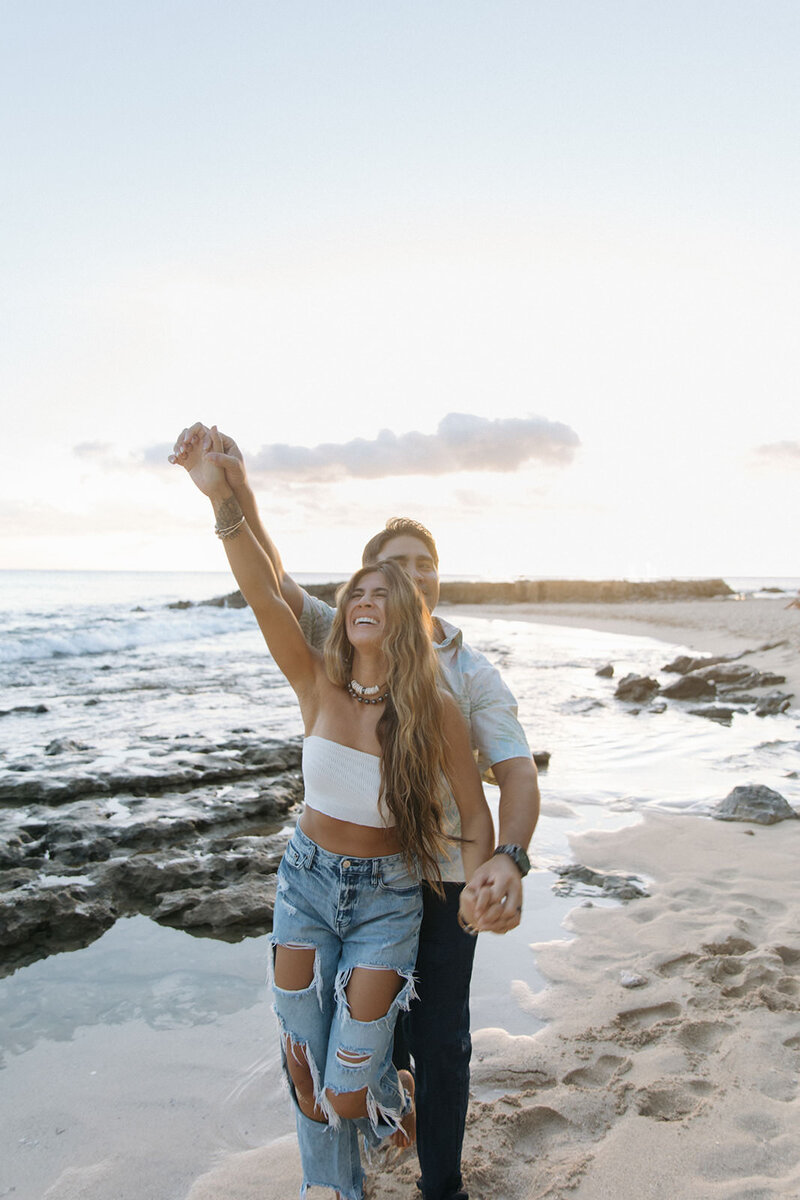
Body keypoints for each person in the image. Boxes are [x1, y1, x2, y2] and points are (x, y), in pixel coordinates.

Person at [171, 424, 540, 1200]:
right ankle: (333, 1187)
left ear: (425, 591)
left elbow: (501, 787)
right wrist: (228, 493)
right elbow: (265, 582)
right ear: (348, 606)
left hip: (414, 885)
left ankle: (415, 1150)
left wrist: (499, 868)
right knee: (310, 1048)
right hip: (313, 881)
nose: (387, 590)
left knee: (415, 1049)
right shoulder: (324, 669)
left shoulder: (454, 690)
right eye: (369, 584)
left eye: (408, 577)